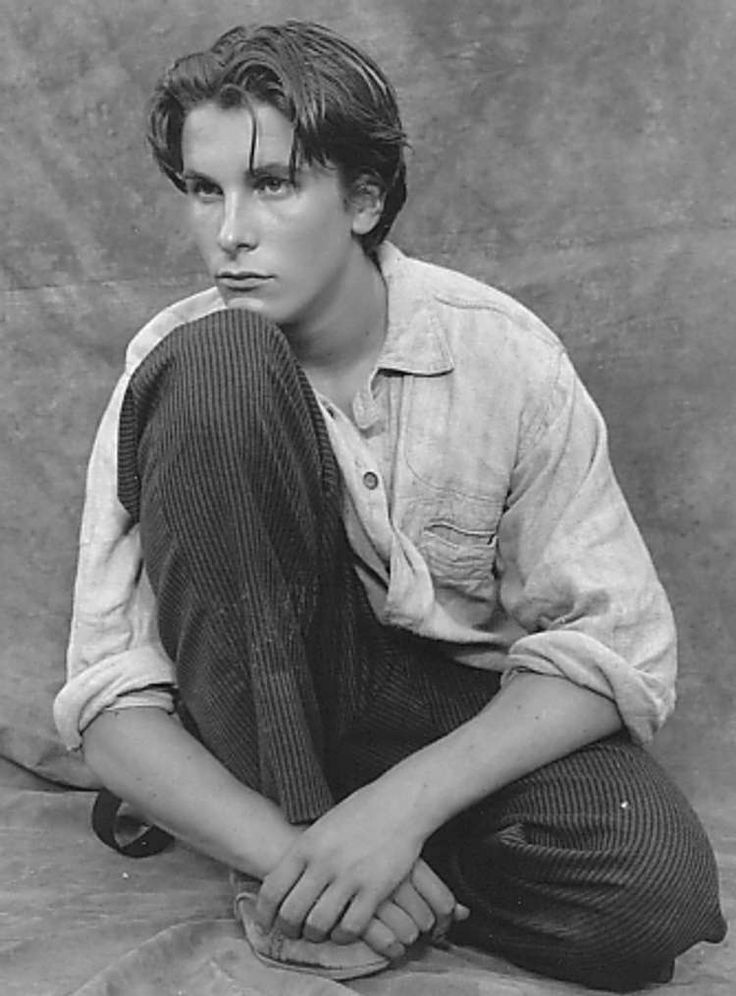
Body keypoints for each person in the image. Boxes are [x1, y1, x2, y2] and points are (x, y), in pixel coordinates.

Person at [53, 19, 726, 991]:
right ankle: (299, 852)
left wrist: (394, 814)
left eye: (272, 184)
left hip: (432, 716)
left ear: (363, 199)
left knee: (652, 900)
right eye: (205, 190)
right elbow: (111, 705)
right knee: (220, 364)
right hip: (249, 696)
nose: (228, 230)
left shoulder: (502, 356)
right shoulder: (178, 364)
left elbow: (611, 646)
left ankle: (351, 860)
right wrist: (286, 848)